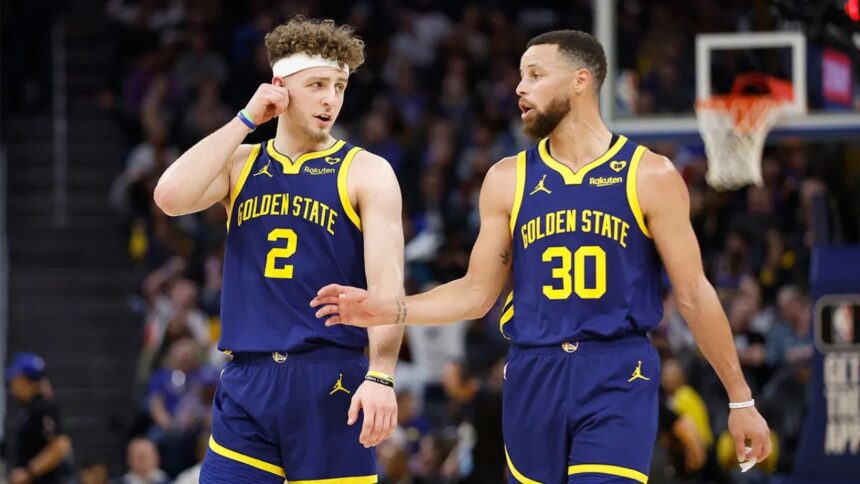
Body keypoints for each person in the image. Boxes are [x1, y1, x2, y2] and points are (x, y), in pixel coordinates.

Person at [312, 30, 771, 483]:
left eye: (535, 74)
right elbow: (476, 293)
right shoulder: (507, 178)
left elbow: (693, 293)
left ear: (581, 80)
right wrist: (391, 308)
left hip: (617, 369)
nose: (519, 87)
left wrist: (740, 399)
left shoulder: (650, 174)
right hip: (533, 371)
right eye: (519, 76)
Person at [154, 16, 405, 483]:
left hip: (329, 376)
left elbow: (388, 287)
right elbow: (169, 197)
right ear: (280, 86)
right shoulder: (242, 162)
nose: (331, 98)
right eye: (316, 85)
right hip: (248, 379)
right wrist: (246, 119)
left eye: (340, 85)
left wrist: (382, 375)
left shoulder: (367, 171)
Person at [4, 352, 72, 484]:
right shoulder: (27, 408)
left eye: (15, 379)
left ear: (25, 379)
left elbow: (60, 445)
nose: (11, 384)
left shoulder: (43, 406)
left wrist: (29, 472)